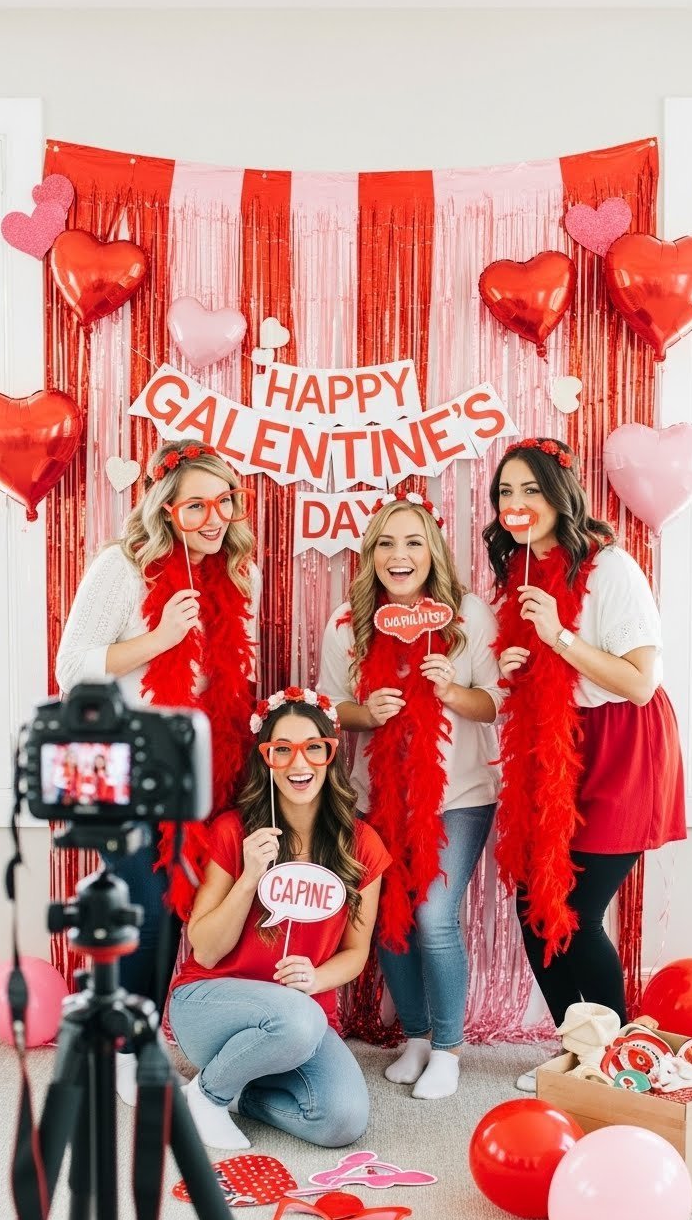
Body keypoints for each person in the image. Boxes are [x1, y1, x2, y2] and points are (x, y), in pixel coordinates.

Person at [56, 438, 260, 1103]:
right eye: (194, 504)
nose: (212, 516)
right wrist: (159, 640)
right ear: (166, 510)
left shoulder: (235, 573)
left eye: (223, 501)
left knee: (184, 906)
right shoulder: (123, 567)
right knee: (142, 906)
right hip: (132, 759)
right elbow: (71, 666)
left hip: (206, 763)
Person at [483, 437, 686, 1092]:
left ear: (560, 495)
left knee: (572, 908)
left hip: (623, 745)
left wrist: (559, 639)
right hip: (559, 748)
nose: (517, 503)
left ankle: (621, 1056)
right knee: (532, 900)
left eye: (531, 490)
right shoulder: (520, 566)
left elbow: (637, 682)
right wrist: (520, 664)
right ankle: (577, 1045)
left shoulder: (610, 568)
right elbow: (551, 673)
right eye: (506, 492)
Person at [318, 490, 500, 1100]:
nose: (400, 556)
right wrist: (365, 713)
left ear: (434, 551)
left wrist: (450, 691)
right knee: (388, 922)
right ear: (370, 554)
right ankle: (416, 1037)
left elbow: (496, 703)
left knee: (432, 916)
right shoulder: (347, 625)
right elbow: (329, 708)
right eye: (387, 544)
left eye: (414, 542)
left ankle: (448, 1048)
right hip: (377, 798)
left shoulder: (467, 616)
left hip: (460, 795)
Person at [169, 689, 390, 1151]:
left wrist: (315, 977)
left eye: (314, 747)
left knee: (342, 1120)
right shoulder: (234, 831)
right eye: (281, 750)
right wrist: (249, 877)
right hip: (209, 1005)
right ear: (266, 760)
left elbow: (356, 953)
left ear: (331, 754)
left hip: (301, 1016)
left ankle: (234, 1092)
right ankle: (207, 1097)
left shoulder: (362, 845)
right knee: (299, 1021)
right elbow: (205, 949)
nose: (299, 763)